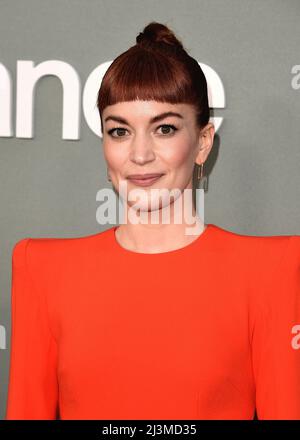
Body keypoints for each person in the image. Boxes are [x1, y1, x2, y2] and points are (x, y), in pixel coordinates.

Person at [5, 21, 300, 420]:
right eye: (120, 130)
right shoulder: (41, 268)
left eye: (164, 128)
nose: (140, 154)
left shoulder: (272, 269)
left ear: (203, 142)